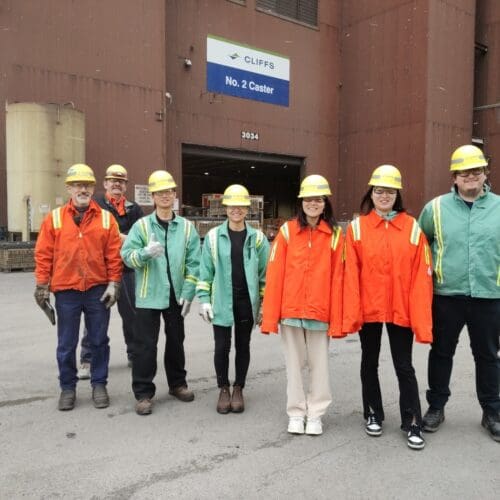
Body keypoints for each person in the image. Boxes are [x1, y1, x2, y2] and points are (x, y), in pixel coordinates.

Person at [342, 164, 433, 450]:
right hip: (369, 307)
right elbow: (349, 274)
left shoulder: (412, 227)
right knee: (369, 362)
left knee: (403, 365)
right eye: (379, 191)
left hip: (399, 308)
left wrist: (419, 316)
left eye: (390, 191)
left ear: (397, 194)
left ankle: (413, 420)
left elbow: (422, 274)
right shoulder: (356, 228)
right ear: (371, 193)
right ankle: (373, 413)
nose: (384, 196)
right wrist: (353, 312)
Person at [418, 144, 500, 442]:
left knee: (488, 356)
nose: (470, 177)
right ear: (454, 177)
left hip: (489, 296)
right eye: (464, 172)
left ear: (484, 174)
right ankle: (436, 407)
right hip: (446, 296)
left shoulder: (499, 208)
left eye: (476, 171)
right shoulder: (435, 209)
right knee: (441, 353)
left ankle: (492, 411)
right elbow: (420, 247)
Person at [34, 164, 122, 411]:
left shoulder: (106, 219)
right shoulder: (54, 219)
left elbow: (114, 255)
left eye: (87, 185)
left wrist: (114, 283)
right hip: (67, 291)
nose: (83, 189)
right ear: (69, 188)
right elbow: (43, 254)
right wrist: (42, 285)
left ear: (93, 188)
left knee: (98, 341)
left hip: (97, 290)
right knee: (66, 343)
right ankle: (68, 388)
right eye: (78, 185)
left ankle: (99, 384)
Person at [261, 174, 344, 436]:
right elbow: (274, 274)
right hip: (291, 311)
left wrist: (338, 315)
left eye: (318, 199)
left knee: (320, 367)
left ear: (325, 203)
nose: (313, 203)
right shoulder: (287, 231)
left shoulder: (335, 234)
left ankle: (316, 413)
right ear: (301, 202)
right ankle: (296, 412)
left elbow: (340, 277)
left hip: (321, 311)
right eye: (309, 199)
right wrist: (271, 314)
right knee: (293, 366)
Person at [121, 170, 200, 415]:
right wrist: (145, 253)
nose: (165, 196)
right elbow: (127, 257)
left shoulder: (187, 228)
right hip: (149, 296)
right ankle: (143, 393)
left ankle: (177, 384)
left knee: (176, 342)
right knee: (145, 345)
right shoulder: (141, 226)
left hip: (176, 296)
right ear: (153, 196)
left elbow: (194, 263)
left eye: (169, 191)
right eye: (160, 192)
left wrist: (189, 292)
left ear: (175, 195)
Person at [196, 184, 270, 414]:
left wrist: (264, 305)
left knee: (243, 345)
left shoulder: (258, 239)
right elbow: (205, 272)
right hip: (221, 300)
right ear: (225, 208)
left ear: (247, 209)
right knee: (221, 347)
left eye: (241, 206)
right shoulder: (213, 237)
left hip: (246, 302)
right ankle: (223, 388)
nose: (236, 210)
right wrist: (204, 299)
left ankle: (238, 387)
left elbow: (265, 276)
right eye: (232, 206)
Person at [78, 164, 144, 379]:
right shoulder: (94, 204)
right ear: (105, 183)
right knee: (95, 316)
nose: (117, 184)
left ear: (126, 185)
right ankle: (87, 360)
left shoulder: (134, 209)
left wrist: (116, 237)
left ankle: (134, 354)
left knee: (132, 315)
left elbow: (139, 238)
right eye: (112, 180)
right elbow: (89, 234)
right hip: (99, 270)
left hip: (126, 269)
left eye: (121, 181)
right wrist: (123, 238)